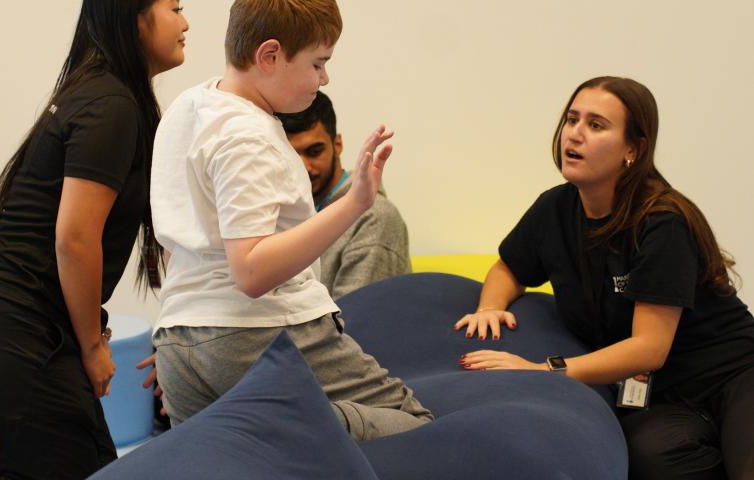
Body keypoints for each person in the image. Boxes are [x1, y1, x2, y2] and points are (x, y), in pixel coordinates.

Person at [0, 1, 188, 478]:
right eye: (175, 7)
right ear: (132, 15)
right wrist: (93, 347)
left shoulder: (109, 97)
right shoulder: (111, 104)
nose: (186, 23)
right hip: (12, 333)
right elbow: (75, 240)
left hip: (11, 331)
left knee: (92, 470)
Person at [150, 0, 433, 441]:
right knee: (416, 427)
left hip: (176, 344)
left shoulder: (188, 108)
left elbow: (175, 243)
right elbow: (251, 271)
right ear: (270, 56)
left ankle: (269, 433)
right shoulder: (248, 134)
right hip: (258, 332)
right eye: (318, 63)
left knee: (225, 462)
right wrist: (355, 201)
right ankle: (290, 428)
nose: (324, 78)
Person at [455, 76, 754, 479]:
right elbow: (510, 267)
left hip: (734, 375)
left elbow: (650, 348)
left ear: (633, 149)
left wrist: (543, 370)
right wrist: (489, 307)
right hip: (661, 395)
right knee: (650, 457)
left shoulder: (661, 222)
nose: (574, 134)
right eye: (572, 119)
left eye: (596, 125)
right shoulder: (555, 208)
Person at [275, 91, 411, 299]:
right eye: (291, 156)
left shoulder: (374, 219)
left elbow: (357, 319)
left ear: (337, 145)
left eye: (314, 151)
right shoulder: (280, 212)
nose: (304, 167)